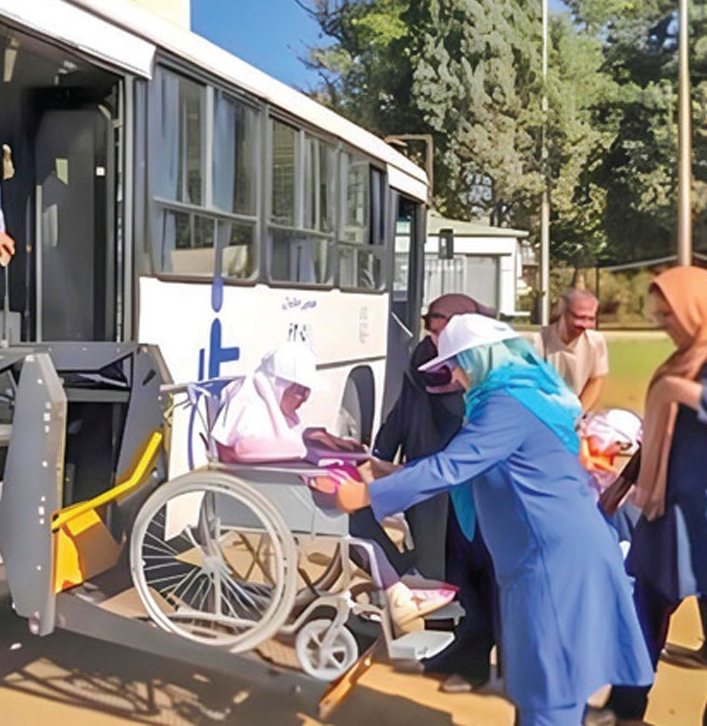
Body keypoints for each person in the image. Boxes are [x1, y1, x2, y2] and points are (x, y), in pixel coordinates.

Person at [334, 314, 653, 726]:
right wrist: (383, 471)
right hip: (550, 555)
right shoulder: (515, 394)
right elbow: (463, 470)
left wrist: (365, 494)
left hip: (552, 561)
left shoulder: (505, 404)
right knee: (549, 686)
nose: (453, 373)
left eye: (455, 362)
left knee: (549, 693)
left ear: (477, 358)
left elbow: (451, 468)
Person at [210, 342, 456, 634]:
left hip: (280, 484)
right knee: (350, 509)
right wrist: (307, 449)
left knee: (355, 504)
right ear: (281, 383)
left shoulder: (261, 402)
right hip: (268, 489)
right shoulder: (250, 405)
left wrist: (315, 440)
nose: (305, 397)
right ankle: (398, 590)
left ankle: (398, 583)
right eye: (299, 389)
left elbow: (276, 442)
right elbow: (251, 448)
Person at [373, 293, 500, 694]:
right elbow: (402, 412)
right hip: (424, 476)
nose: (433, 332)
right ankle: (451, 648)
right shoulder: (423, 358)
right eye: (431, 322)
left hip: (465, 482)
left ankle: (503, 663)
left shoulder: (482, 368)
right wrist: (380, 454)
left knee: (483, 575)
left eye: (442, 324)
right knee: (437, 567)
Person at [596, 267, 707, 726]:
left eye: (671, 313)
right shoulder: (678, 363)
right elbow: (658, 439)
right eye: (659, 314)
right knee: (641, 614)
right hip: (667, 518)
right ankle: (626, 709)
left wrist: (684, 393)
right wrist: (622, 485)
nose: (664, 322)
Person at [532, 290, 609, 411]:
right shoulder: (537, 341)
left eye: (591, 319)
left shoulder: (596, 341)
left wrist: (577, 414)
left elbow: (596, 380)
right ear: (563, 312)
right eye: (580, 317)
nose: (585, 324)